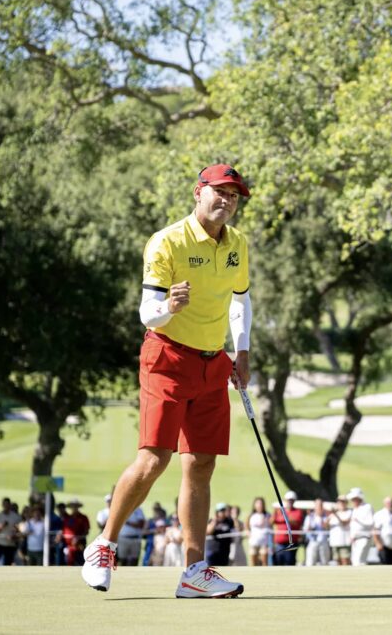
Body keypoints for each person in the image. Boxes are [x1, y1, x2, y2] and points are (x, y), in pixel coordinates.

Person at [81, 164, 252, 599]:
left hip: (214, 363)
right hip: (167, 357)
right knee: (154, 459)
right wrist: (170, 306)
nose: (227, 201)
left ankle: (194, 571)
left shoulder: (237, 244)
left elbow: (240, 299)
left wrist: (243, 350)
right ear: (199, 192)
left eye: (234, 196)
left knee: (201, 464)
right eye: (220, 192)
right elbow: (147, 314)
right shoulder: (167, 240)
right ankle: (104, 545)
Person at [272, 491, 305, 566]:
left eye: (291, 500)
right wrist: (275, 511)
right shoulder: (279, 511)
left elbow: (296, 522)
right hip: (279, 543)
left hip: (291, 543)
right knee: (278, 563)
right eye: (288, 500)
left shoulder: (298, 512)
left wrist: (284, 516)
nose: (289, 502)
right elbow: (272, 521)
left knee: (289, 562)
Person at [0, 497, 22, 566]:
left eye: (7, 504)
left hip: (10, 544)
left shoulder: (16, 517)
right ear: (2, 505)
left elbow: (20, 531)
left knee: (8, 564)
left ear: (10, 505)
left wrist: (15, 533)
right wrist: (1, 526)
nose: (6, 506)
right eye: (4, 504)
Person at [372, 497, 392, 565]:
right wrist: (378, 543)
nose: (390, 504)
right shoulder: (380, 514)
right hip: (384, 546)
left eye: (391, 503)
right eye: (388, 503)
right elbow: (375, 530)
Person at [348, 488, 374, 566]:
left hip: (364, 537)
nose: (353, 501)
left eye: (354, 499)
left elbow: (371, 523)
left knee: (360, 561)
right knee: (354, 561)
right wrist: (352, 536)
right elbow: (353, 526)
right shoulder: (355, 509)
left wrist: (358, 520)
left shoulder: (367, 507)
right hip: (355, 539)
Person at [304, 499, 331, 567]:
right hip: (313, 541)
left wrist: (324, 518)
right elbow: (307, 529)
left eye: (321, 505)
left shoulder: (326, 516)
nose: (319, 507)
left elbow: (326, 527)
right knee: (310, 561)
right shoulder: (310, 517)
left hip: (324, 541)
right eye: (318, 505)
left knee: (325, 562)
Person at [207, 503, 235, 567]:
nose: (223, 512)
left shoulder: (229, 521)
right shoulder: (211, 521)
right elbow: (209, 532)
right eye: (221, 510)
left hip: (225, 551)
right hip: (213, 551)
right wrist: (214, 522)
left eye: (224, 510)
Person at [327, 495, 352, 566]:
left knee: (345, 560)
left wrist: (335, 514)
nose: (341, 503)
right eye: (339, 502)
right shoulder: (333, 514)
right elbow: (326, 526)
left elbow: (344, 523)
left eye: (343, 502)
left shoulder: (349, 512)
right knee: (337, 561)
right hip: (334, 542)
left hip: (344, 541)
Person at [247, 497, 272, 567]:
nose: (259, 505)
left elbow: (271, 526)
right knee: (253, 562)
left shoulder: (268, 515)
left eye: (261, 503)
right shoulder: (251, 515)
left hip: (264, 541)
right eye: (257, 503)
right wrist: (247, 532)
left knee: (264, 561)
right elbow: (246, 525)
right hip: (254, 541)